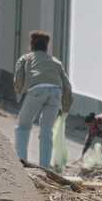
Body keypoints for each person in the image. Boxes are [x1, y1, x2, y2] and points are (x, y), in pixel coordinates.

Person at [13, 30, 73, 168]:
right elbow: (67, 86)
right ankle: (45, 166)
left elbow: (18, 78)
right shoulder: (56, 62)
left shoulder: (26, 58)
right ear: (47, 46)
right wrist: (65, 108)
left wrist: (20, 91)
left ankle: (21, 161)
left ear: (31, 44)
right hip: (56, 92)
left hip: (37, 90)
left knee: (23, 126)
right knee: (47, 130)